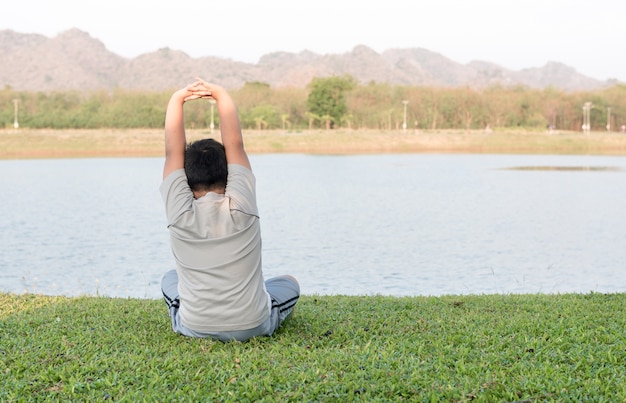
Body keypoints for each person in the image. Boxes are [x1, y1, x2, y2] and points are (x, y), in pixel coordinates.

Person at [159, 78, 300, 342]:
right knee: (289, 282)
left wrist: (177, 98)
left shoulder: (178, 211)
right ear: (229, 175)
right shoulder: (242, 205)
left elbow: (171, 152)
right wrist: (220, 94)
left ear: (186, 182)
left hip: (196, 327)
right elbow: (235, 145)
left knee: (170, 278)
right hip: (254, 325)